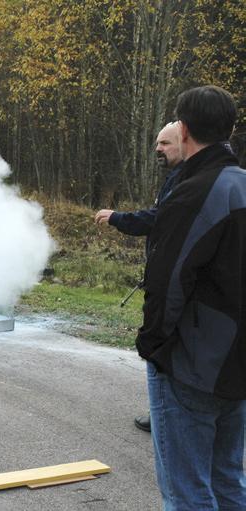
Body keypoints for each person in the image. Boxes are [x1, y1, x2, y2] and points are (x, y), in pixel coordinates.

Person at [137, 85, 246, 509]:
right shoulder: (239, 185)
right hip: (237, 363)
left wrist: (153, 346)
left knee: (187, 492)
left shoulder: (193, 192)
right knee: (227, 481)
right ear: (232, 129)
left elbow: (167, 281)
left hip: (193, 363)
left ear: (182, 130)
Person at [94, 122, 184, 433]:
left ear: (185, 142)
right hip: (167, 280)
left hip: (177, 287)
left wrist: (118, 218)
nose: (158, 149)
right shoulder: (175, 178)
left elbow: (159, 219)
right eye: (157, 143)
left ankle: (166, 415)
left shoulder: (187, 180)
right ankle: (164, 412)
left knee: (167, 349)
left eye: (166, 143)